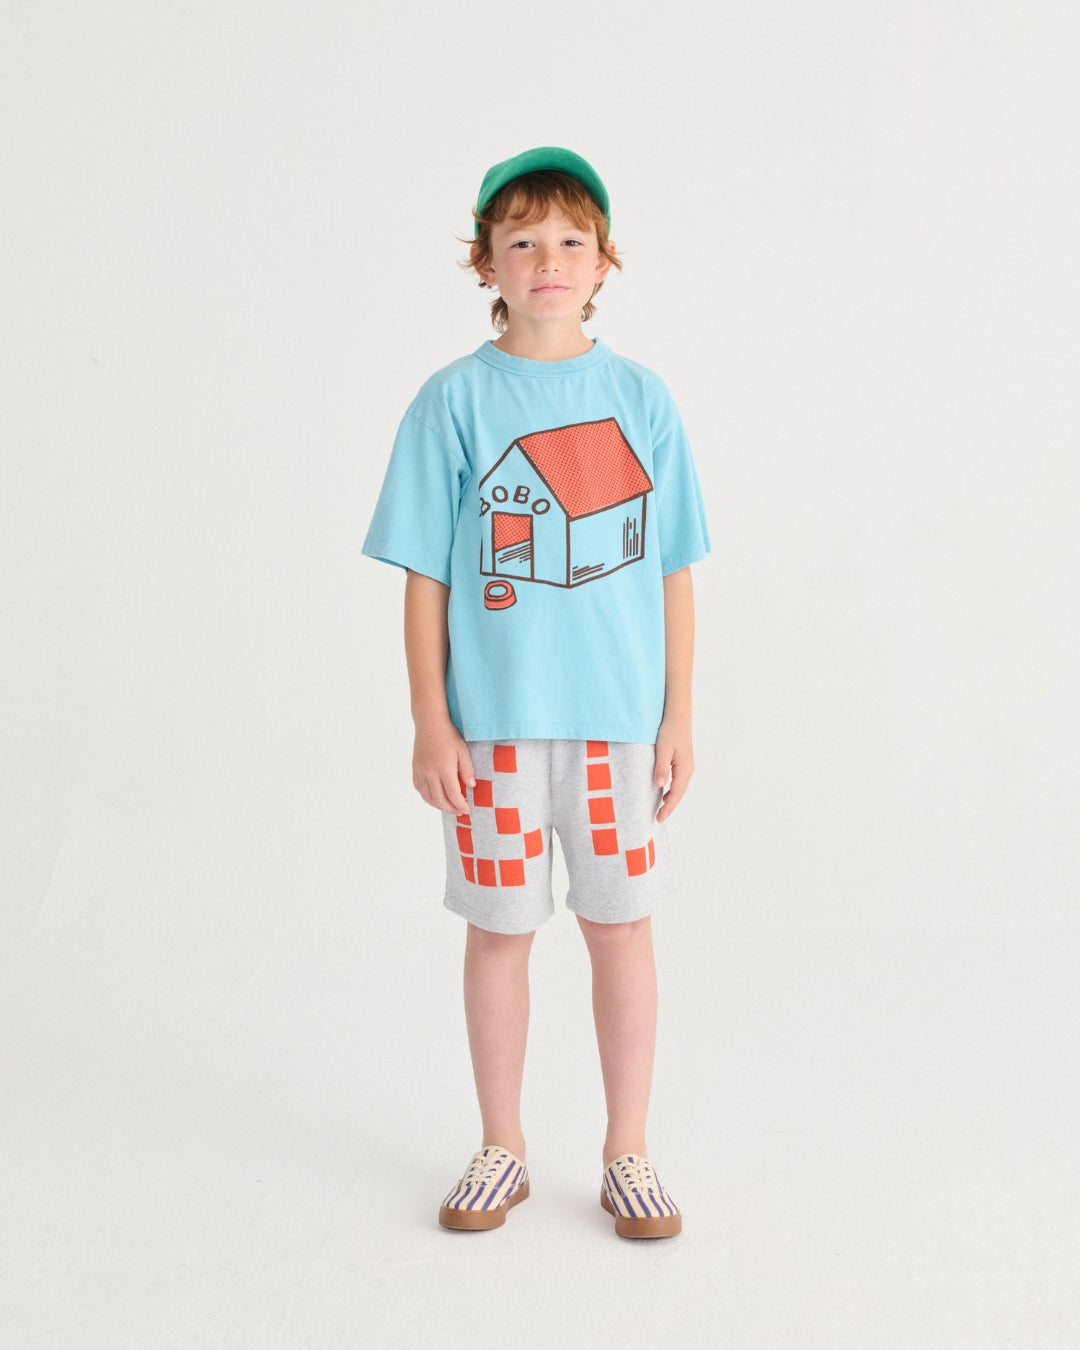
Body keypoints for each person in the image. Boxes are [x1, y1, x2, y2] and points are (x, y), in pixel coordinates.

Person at [362, 147, 710, 1239]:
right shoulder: (453, 403)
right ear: (487, 264)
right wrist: (431, 719)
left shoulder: (641, 399)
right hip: (495, 735)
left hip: (616, 732)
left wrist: (677, 716)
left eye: (569, 240)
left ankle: (628, 1150)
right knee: (499, 933)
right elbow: (427, 574)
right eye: (521, 241)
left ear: (605, 262)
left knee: (622, 931)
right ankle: (501, 1146)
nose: (547, 259)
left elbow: (673, 569)